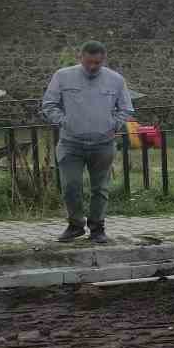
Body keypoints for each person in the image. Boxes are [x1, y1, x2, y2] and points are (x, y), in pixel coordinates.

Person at [40, 40, 133, 244]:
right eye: (88, 62)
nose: (92, 67)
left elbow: (126, 108)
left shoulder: (116, 80)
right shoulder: (62, 76)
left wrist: (113, 125)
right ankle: (75, 225)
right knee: (70, 186)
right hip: (71, 143)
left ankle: (97, 228)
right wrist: (64, 121)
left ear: (104, 60)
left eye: (97, 63)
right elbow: (49, 104)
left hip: (103, 143)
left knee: (100, 188)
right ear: (80, 57)